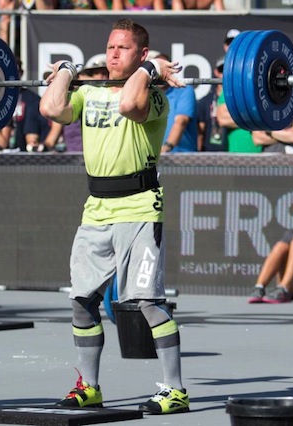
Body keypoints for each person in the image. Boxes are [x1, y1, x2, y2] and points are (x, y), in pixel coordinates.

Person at [39, 18, 189, 415]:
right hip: (97, 211)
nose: (112, 54)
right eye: (109, 47)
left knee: (149, 304)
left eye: (122, 48)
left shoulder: (155, 98)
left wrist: (152, 69)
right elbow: (50, 106)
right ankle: (89, 387)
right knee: (81, 301)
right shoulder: (88, 93)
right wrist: (68, 72)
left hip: (139, 208)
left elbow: (128, 103)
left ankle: (175, 390)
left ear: (141, 55)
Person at [44, 54, 109, 152]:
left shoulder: (114, 98)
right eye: (95, 73)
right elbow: (52, 136)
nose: (102, 77)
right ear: (81, 77)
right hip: (74, 160)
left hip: (102, 157)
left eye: (105, 73)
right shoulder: (71, 99)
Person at [150, 52, 198, 153]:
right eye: (157, 70)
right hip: (154, 158)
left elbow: (181, 121)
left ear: (171, 69)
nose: (160, 74)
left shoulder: (184, 89)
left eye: (164, 69)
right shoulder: (148, 92)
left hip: (181, 159)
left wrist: (166, 148)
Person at [2, 58, 52, 152]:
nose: (11, 76)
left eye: (15, 71)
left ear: (21, 73)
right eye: (7, 71)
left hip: (24, 156)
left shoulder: (33, 100)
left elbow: (32, 139)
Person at [197, 56, 227, 151]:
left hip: (234, 151)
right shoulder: (205, 101)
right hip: (209, 152)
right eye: (222, 70)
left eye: (228, 69)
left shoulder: (240, 99)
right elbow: (200, 132)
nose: (225, 73)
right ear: (216, 72)